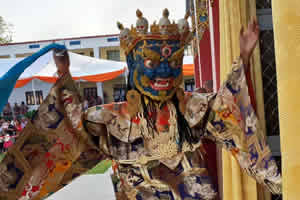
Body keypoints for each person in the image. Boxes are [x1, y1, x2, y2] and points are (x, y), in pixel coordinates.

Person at [0, 9, 281, 200]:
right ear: (135, 67)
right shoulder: (111, 118)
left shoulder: (192, 108)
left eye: (171, 64)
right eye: (151, 64)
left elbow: (227, 106)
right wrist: (64, 76)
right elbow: (71, 128)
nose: (162, 74)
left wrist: (244, 54)